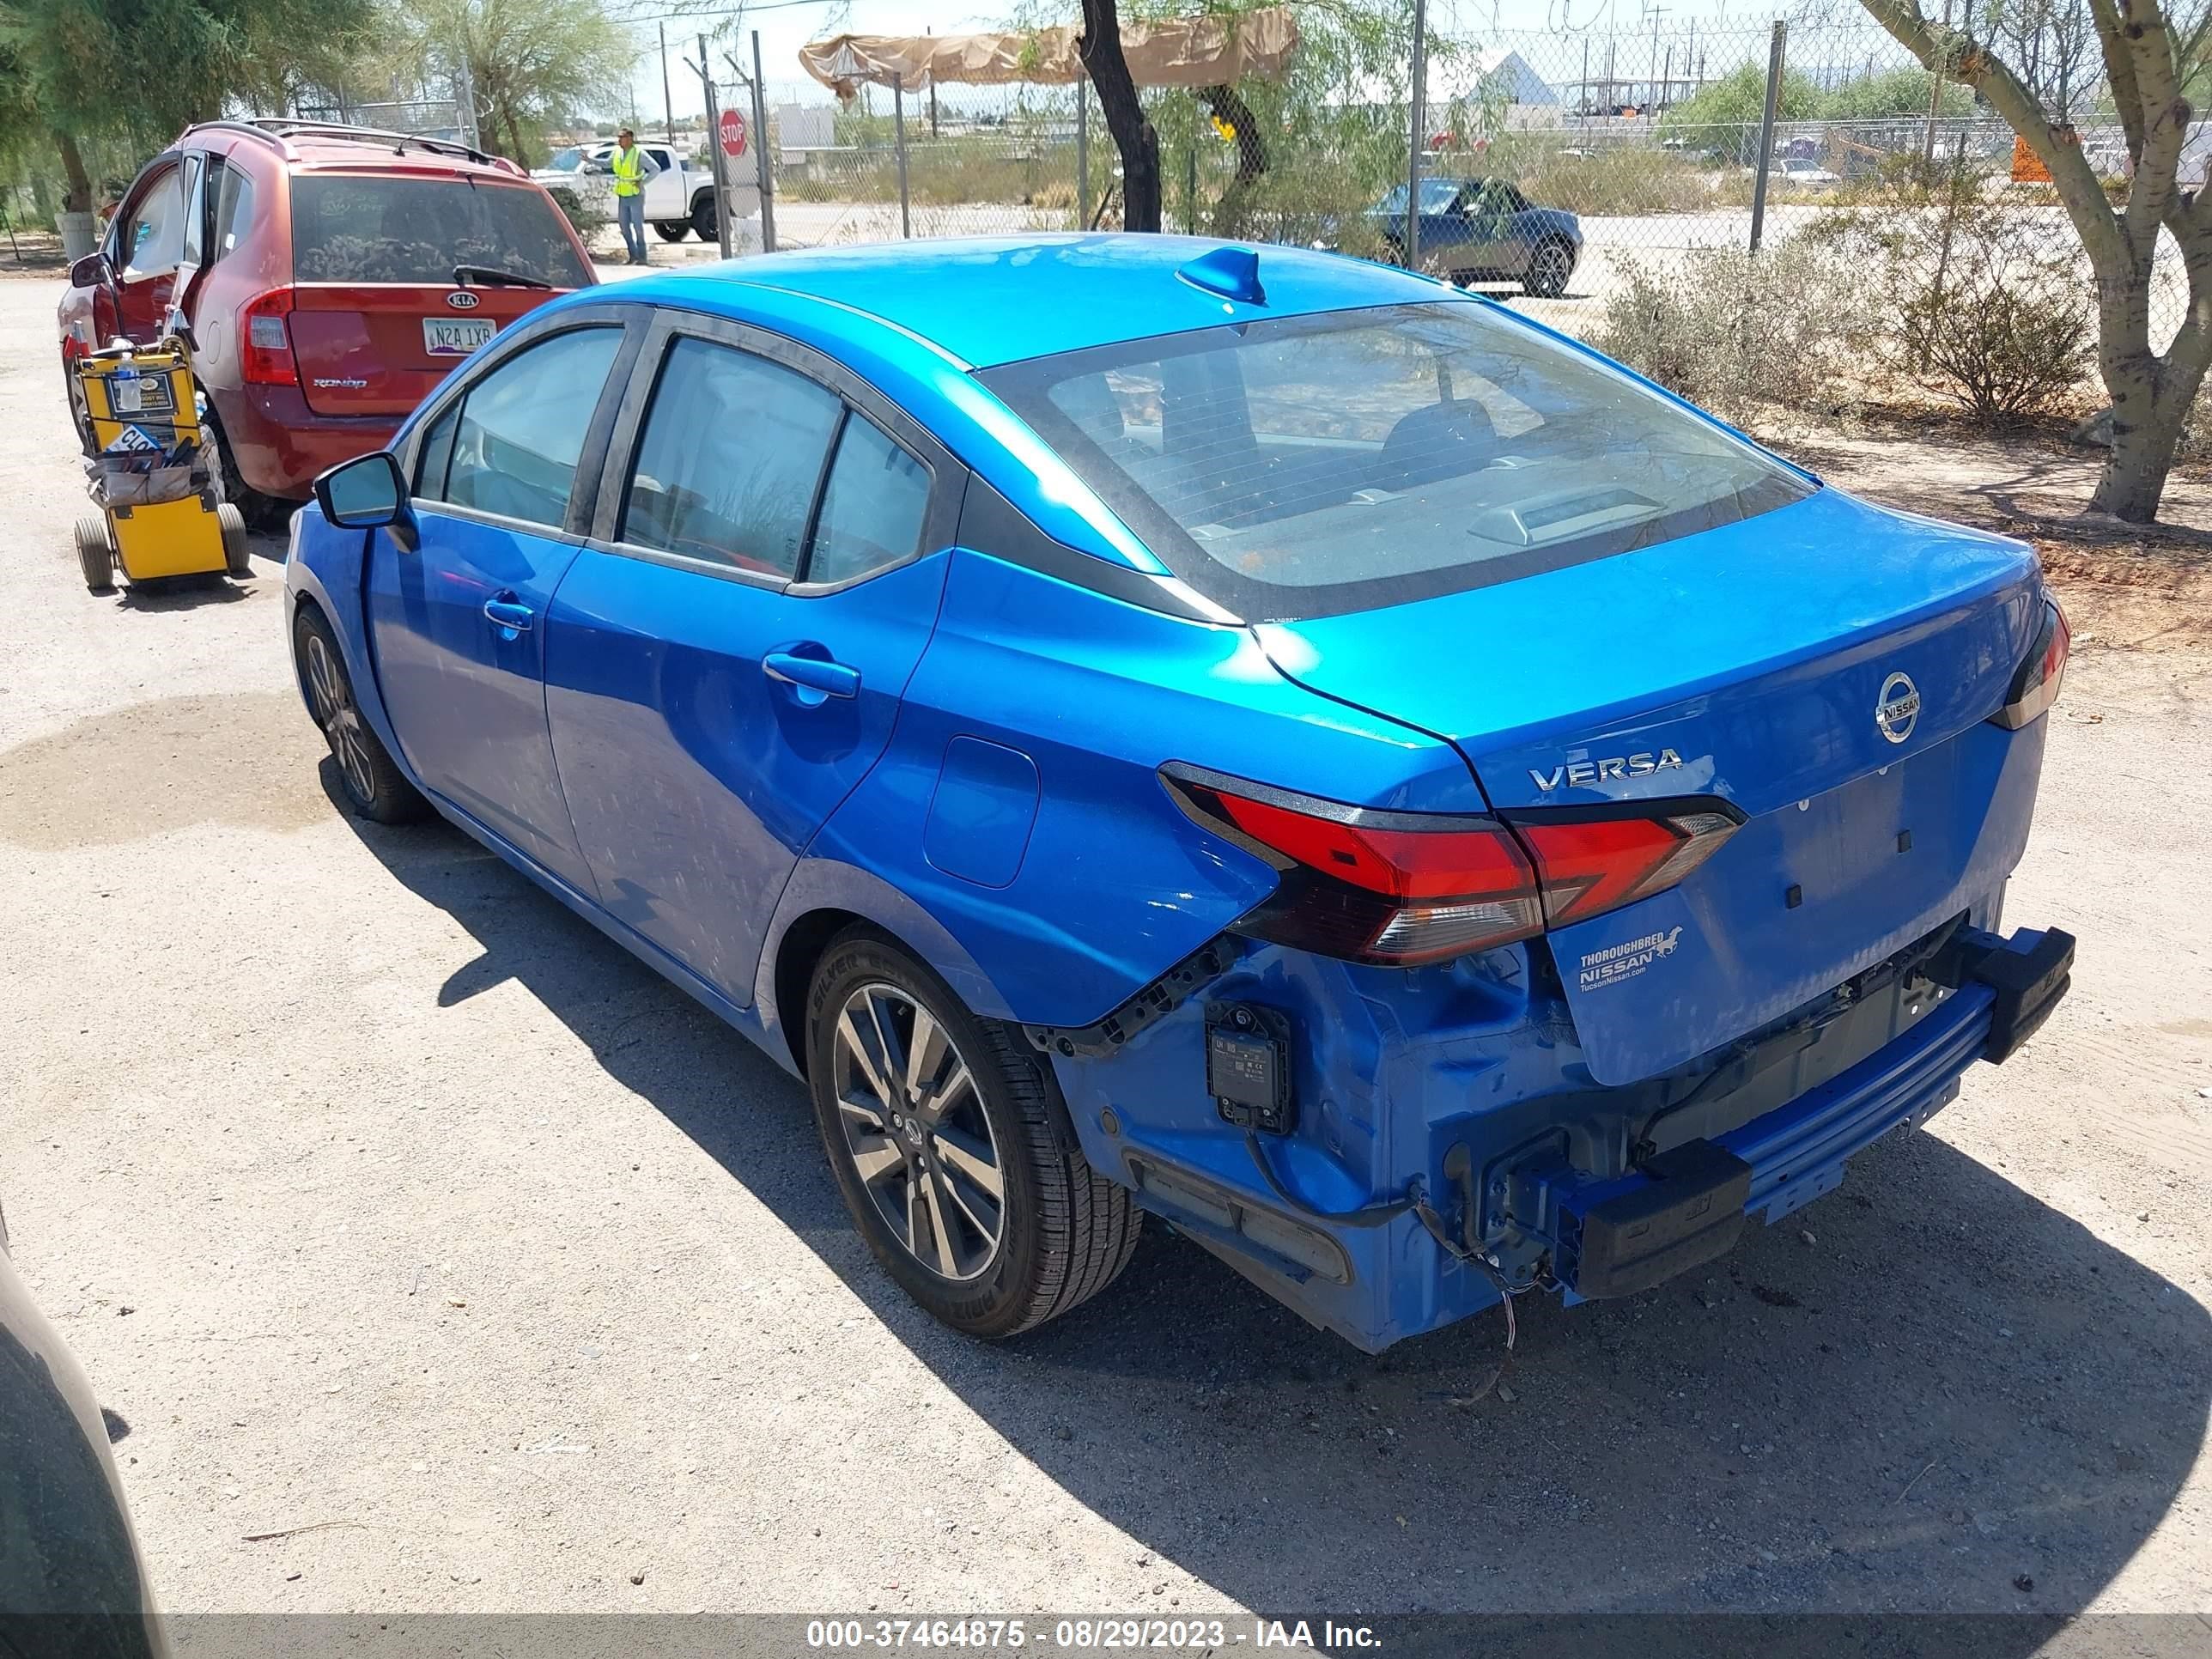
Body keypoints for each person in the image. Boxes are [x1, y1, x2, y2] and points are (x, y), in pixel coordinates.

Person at [610, 129, 661, 265]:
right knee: (624, 226)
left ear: (630, 138)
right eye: (619, 137)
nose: (619, 140)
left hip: (636, 195)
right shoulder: (618, 153)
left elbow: (656, 169)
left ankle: (642, 257)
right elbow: (607, 163)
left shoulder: (639, 153)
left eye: (622, 137)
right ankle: (633, 256)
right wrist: (590, 160)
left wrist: (642, 182)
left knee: (637, 226)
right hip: (623, 195)